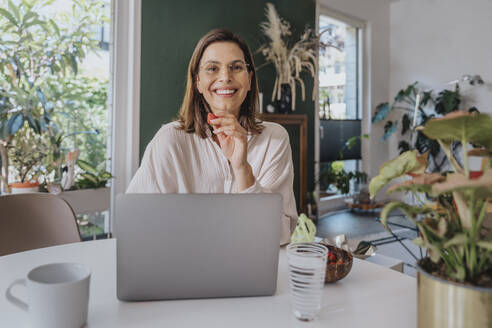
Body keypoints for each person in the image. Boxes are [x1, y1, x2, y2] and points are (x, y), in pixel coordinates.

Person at [127, 29, 298, 244]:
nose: (225, 77)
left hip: (249, 268)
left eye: (236, 67)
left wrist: (242, 168)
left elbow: (280, 234)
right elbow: (136, 222)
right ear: (198, 82)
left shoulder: (275, 139)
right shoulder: (169, 141)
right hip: (182, 266)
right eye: (212, 68)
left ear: (250, 79)